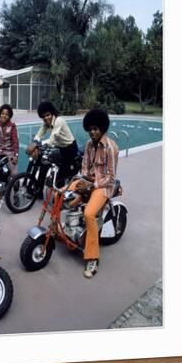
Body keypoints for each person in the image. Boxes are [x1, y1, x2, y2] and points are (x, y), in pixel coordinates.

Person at [68, 109, 119, 279]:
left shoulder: (111, 148)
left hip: (103, 187)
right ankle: (59, 230)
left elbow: (111, 177)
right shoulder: (89, 145)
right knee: (63, 195)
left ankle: (93, 258)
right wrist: (82, 180)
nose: (93, 132)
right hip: (89, 182)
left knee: (89, 214)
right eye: (90, 128)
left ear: (102, 128)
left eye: (96, 128)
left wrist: (91, 186)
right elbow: (84, 167)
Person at [26, 101, 79, 187]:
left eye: (48, 115)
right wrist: (35, 142)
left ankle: (60, 194)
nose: (46, 118)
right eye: (43, 116)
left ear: (52, 113)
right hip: (60, 148)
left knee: (61, 175)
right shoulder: (46, 123)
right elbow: (39, 134)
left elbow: (52, 139)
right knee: (44, 163)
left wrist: (36, 145)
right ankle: (38, 192)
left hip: (70, 148)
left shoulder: (59, 121)